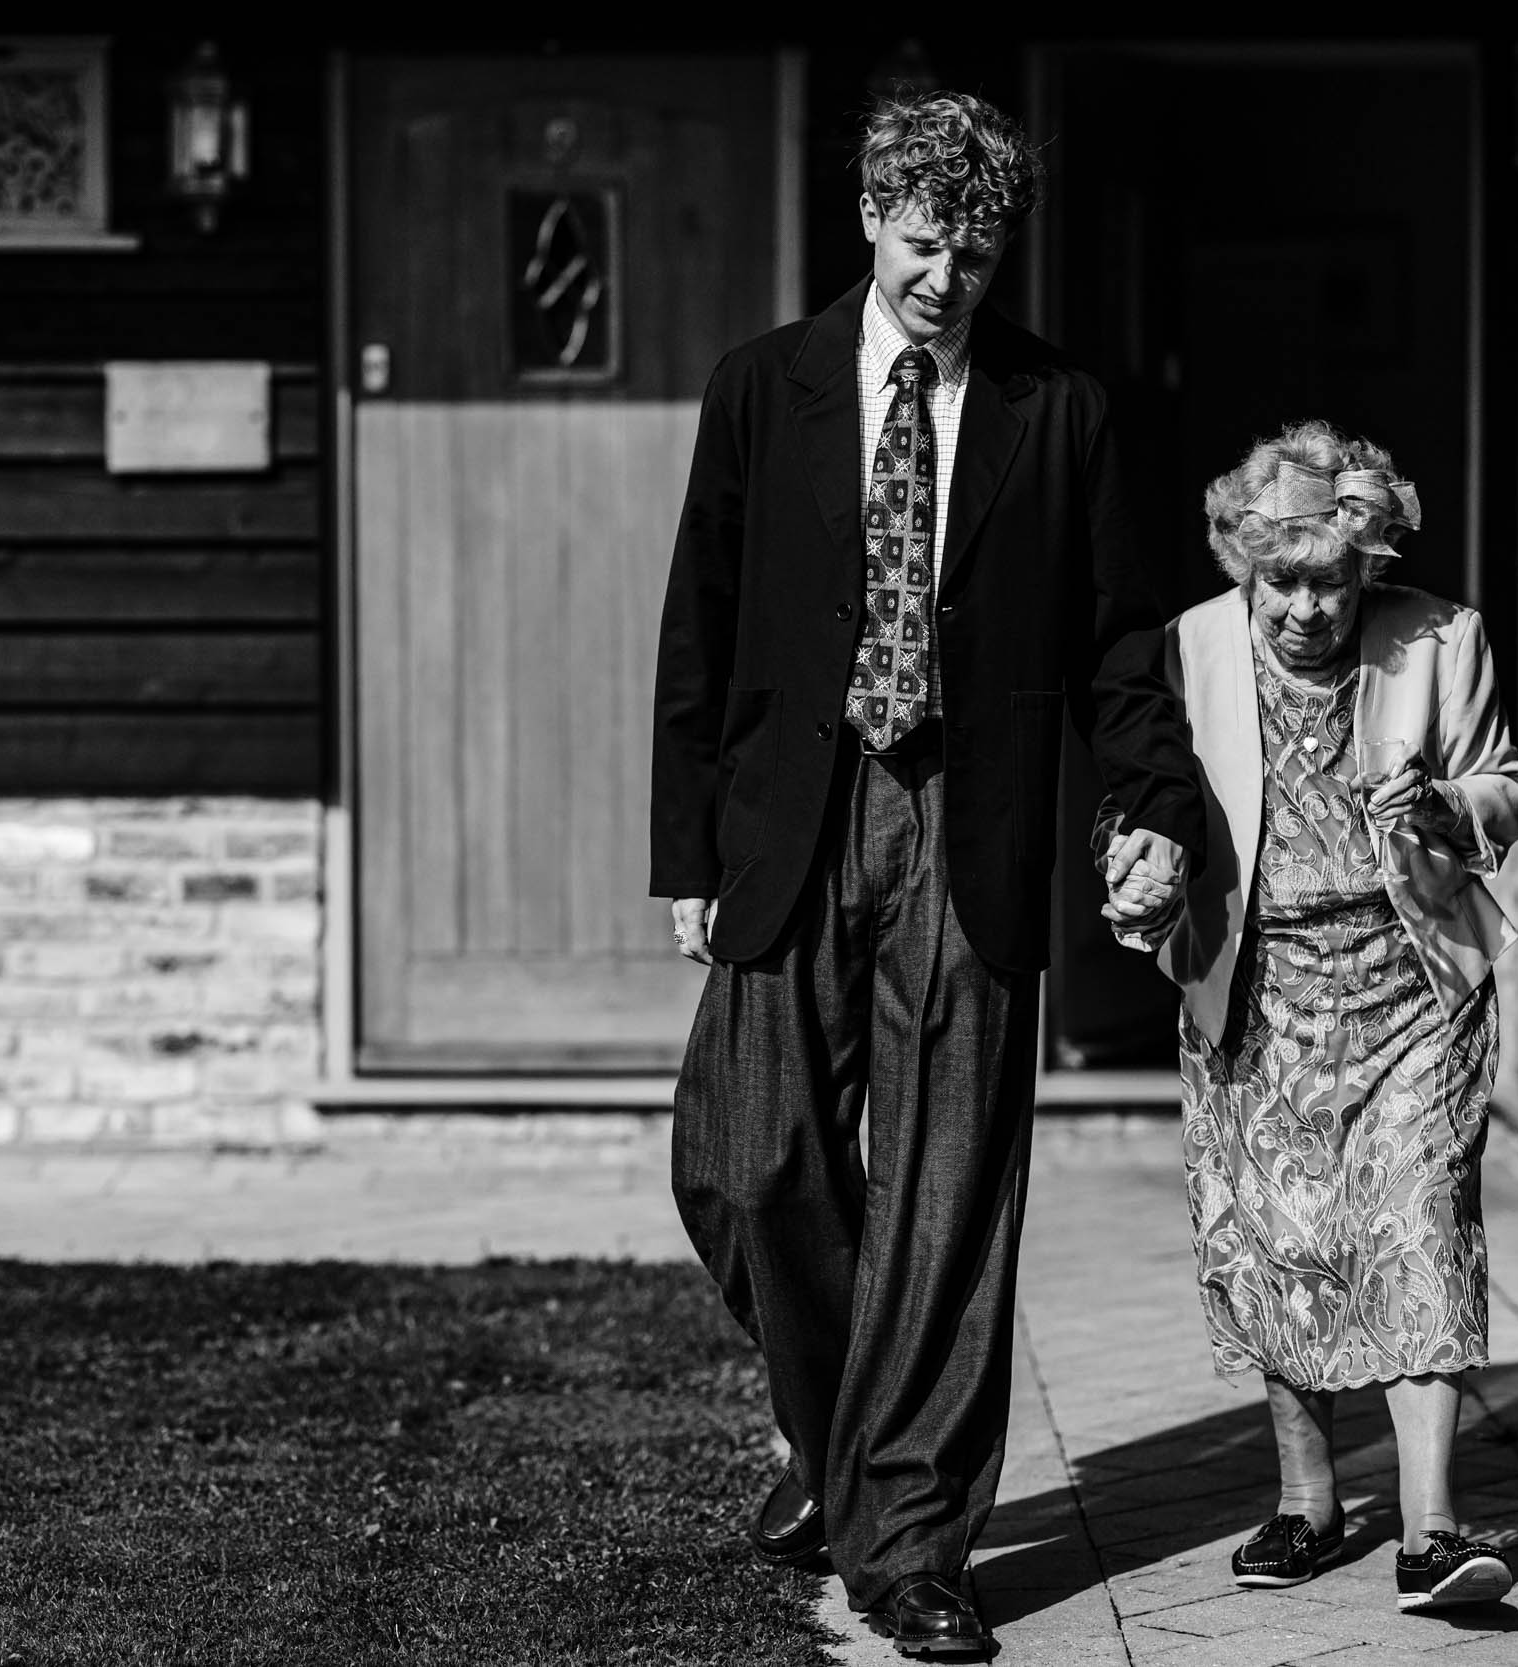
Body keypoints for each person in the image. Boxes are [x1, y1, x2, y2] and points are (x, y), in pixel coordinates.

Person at [650, 91, 1204, 1658]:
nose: (948, 271)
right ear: (873, 221)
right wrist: (685, 844)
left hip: (972, 812)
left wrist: (1146, 803)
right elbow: (699, 619)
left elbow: (1118, 637)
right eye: (923, 236)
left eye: (976, 244)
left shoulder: (1059, 408)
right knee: (749, 1163)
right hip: (793, 812)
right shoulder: (763, 388)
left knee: (950, 1192)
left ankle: (913, 1546)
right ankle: (832, 1442)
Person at [1096, 420, 1518, 1614]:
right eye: (1277, 580)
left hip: (1412, 984)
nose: (1301, 608)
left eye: (1328, 583)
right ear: (1244, 561)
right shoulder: (1190, 647)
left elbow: (1509, 781)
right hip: (1259, 985)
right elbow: (1139, 794)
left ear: (1368, 568)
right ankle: (1306, 1502)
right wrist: (1133, 864)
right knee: (1278, 1238)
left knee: (1418, 1219)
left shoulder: (1441, 639)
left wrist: (1444, 805)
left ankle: (1431, 1530)